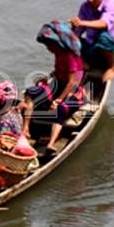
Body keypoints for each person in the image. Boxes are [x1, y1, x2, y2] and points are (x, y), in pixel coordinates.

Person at [22, 20, 88, 157]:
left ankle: (51, 143)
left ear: (58, 43)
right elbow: (57, 72)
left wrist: (58, 100)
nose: (48, 48)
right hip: (59, 85)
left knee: (60, 109)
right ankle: (26, 128)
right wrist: (46, 79)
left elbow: (71, 83)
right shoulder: (59, 54)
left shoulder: (70, 56)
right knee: (31, 92)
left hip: (73, 92)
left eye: (49, 45)